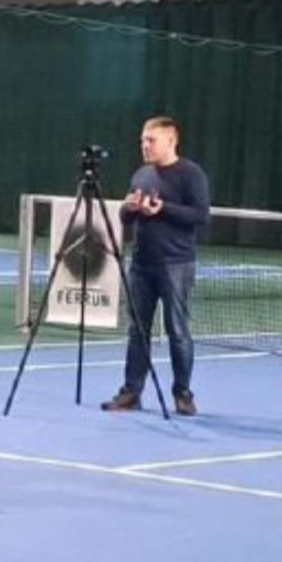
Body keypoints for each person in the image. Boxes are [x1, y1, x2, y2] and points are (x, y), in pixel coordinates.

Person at [102, 116, 211, 416]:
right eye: (143, 140)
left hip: (176, 265)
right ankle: (131, 393)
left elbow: (200, 215)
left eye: (151, 140)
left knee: (178, 331)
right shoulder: (141, 175)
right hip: (141, 265)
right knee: (137, 331)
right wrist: (129, 208)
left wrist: (163, 209)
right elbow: (125, 217)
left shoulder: (191, 174)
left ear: (171, 141)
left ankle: (183, 393)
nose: (145, 146)